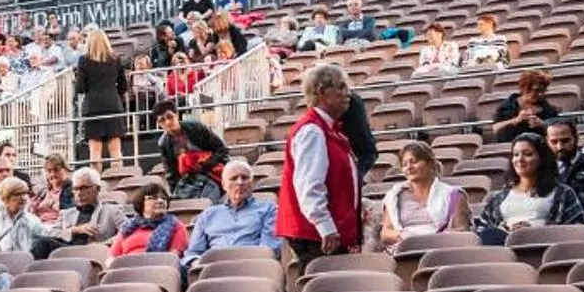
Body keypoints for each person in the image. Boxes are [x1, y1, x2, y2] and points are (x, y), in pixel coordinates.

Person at [276, 61, 363, 268]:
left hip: (323, 232)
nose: (348, 93)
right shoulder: (313, 132)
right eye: (341, 87)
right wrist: (325, 226)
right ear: (322, 92)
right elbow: (309, 185)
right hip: (316, 236)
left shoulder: (327, 129)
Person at [476, 134, 584, 244]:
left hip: (546, 246)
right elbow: (482, 229)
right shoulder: (499, 198)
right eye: (516, 155)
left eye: (528, 154)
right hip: (504, 249)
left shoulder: (563, 193)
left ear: (541, 158)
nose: (520, 159)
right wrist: (505, 229)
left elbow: (577, 229)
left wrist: (533, 231)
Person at [379, 139, 470, 243]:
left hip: (441, 248)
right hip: (404, 249)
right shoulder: (394, 196)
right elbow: (385, 232)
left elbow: (462, 230)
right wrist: (404, 236)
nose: (409, 167)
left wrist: (430, 239)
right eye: (404, 164)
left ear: (430, 163)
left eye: (414, 162)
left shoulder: (454, 195)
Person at [184, 159, 280, 255]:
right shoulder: (207, 215)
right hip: (215, 266)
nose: (240, 183)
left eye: (244, 178)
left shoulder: (269, 210)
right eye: (233, 178)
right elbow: (193, 253)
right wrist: (196, 262)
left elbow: (269, 249)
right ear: (224, 185)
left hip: (252, 264)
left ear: (251, 183)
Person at [70, 26, 129, 165]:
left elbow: (80, 88)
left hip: (93, 107)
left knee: (95, 153)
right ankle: (118, 182)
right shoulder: (115, 59)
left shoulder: (84, 61)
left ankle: (96, 184)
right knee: (116, 152)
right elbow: (123, 86)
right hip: (113, 105)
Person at [156, 103, 227, 191]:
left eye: (170, 117)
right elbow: (171, 172)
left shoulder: (196, 127)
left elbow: (221, 149)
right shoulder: (163, 143)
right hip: (190, 179)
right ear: (159, 124)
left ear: (177, 115)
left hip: (212, 169)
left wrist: (204, 166)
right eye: (162, 120)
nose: (167, 122)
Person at [109, 182, 187, 258]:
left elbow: (173, 257)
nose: (160, 201)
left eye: (163, 198)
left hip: (158, 267)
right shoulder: (128, 227)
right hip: (125, 267)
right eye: (153, 198)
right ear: (141, 203)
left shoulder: (175, 225)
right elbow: (112, 257)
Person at [0, 174, 41, 266]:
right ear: (5, 197)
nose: (23, 198)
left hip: (23, 266)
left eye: (25, 193)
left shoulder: (33, 221)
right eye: (18, 194)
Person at [489, 70, 558, 145]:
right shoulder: (507, 105)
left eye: (542, 91)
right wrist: (515, 120)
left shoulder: (548, 109)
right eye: (536, 90)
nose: (540, 94)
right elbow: (495, 128)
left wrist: (542, 124)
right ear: (525, 88)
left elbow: (557, 131)